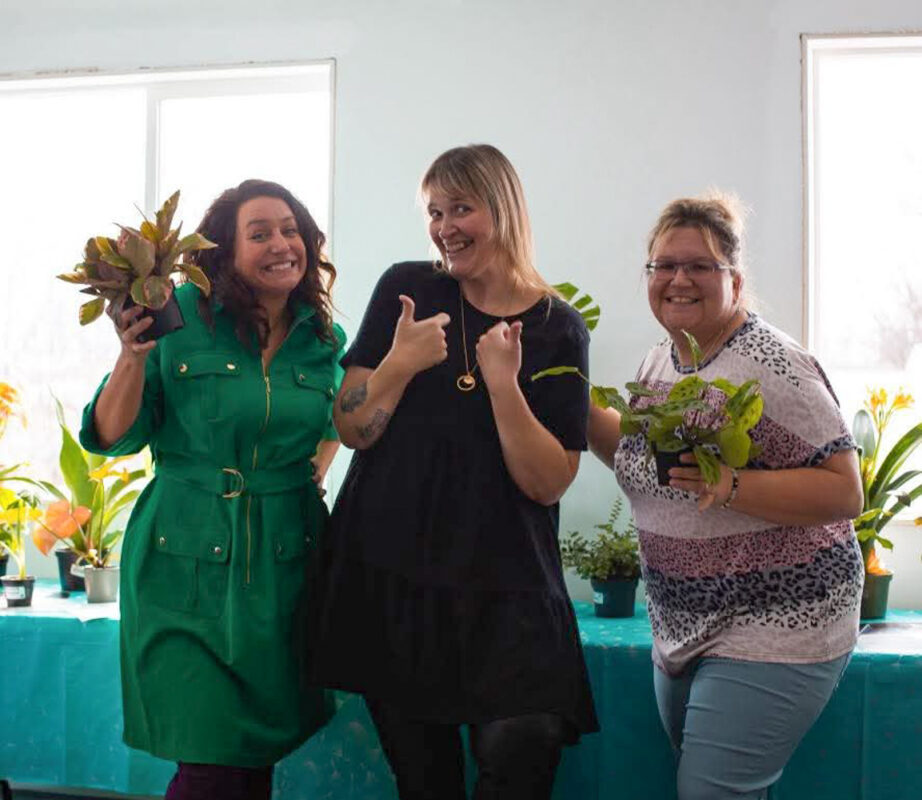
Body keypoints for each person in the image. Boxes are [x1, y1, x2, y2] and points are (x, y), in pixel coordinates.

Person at [315, 144, 598, 799]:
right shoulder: (406, 290)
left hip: (509, 594)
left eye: (461, 207)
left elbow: (548, 481)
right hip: (397, 583)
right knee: (425, 786)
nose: (444, 227)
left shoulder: (558, 327)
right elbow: (353, 428)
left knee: (521, 762)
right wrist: (399, 364)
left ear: (503, 207)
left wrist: (504, 383)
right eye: (434, 211)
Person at [587, 192, 864, 800]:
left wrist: (734, 484)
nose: (678, 279)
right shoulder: (664, 361)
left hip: (777, 620)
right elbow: (643, 463)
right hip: (683, 625)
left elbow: (846, 491)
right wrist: (574, 403)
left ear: (734, 280)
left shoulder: (772, 364)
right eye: (664, 265)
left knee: (711, 794)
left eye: (699, 266)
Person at [79, 179, 344, 800]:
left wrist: (315, 470)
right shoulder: (178, 322)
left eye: (290, 230)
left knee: (251, 760)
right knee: (213, 764)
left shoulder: (323, 337)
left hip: (285, 570)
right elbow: (112, 436)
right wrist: (131, 358)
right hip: (183, 565)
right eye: (260, 234)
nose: (282, 244)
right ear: (223, 252)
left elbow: (340, 418)